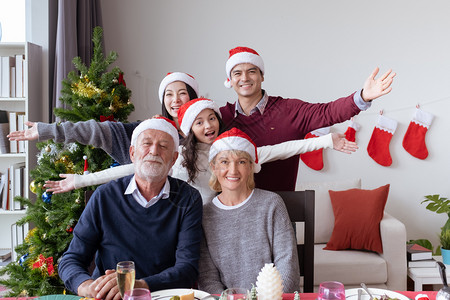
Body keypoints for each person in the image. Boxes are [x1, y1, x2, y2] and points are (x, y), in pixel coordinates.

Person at [43, 98, 358, 203]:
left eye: (211, 119)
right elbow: (132, 168)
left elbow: (281, 149)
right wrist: (80, 181)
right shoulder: (180, 155)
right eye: (199, 122)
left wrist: (328, 141)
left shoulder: (233, 151)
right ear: (189, 131)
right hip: (189, 221)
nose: (208, 125)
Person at [58, 117, 203, 300]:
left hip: (161, 296)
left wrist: (138, 286)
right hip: (109, 297)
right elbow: (71, 259)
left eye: (163, 146)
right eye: (147, 143)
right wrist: (88, 287)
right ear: (133, 153)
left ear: (174, 159)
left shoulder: (188, 198)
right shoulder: (104, 196)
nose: (154, 151)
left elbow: (187, 269)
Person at [220, 46, 396, 191]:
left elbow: (327, 112)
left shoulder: (289, 110)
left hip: (282, 209)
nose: (244, 78)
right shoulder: (220, 118)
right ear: (230, 79)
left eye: (251, 71)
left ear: (262, 76)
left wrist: (363, 96)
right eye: (237, 73)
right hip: (234, 211)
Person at [7, 72, 199, 165]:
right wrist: (46, 130)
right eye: (169, 95)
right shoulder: (147, 131)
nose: (175, 100)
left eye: (182, 93)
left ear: (192, 96)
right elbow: (96, 130)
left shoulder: (206, 131)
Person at [197, 127, 300, 293]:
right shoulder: (204, 215)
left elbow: (287, 265)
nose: (233, 170)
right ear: (214, 167)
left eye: (241, 162)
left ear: (251, 166)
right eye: (224, 162)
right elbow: (207, 277)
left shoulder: (272, 204)